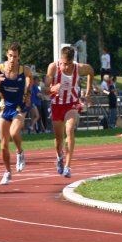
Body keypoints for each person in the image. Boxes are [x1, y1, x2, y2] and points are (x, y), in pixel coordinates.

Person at [46, 45, 95, 179]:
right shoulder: (53, 67)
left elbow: (91, 71)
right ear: (60, 60)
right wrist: (52, 89)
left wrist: (88, 93)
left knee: (69, 130)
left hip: (72, 104)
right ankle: (59, 157)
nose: (66, 67)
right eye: (64, 64)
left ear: (73, 61)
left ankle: (68, 166)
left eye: (69, 64)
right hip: (57, 104)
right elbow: (45, 89)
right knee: (59, 140)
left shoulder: (79, 68)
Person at [0, 43, 33, 185]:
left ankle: (20, 152)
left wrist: (28, 94)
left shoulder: (24, 69)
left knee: (14, 132)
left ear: (19, 56)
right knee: (3, 145)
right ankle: (7, 172)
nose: (12, 59)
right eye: (10, 56)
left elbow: (30, 78)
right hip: (5, 107)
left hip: (19, 106)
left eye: (15, 56)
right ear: (7, 55)